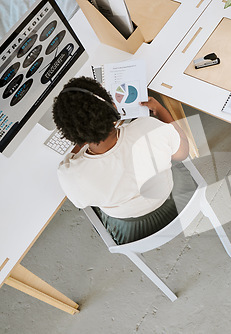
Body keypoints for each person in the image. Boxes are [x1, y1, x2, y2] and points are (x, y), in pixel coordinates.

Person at [53, 76, 196, 245]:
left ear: (70, 136)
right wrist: (160, 109)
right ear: (113, 108)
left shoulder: (70, 174)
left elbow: (81, 202)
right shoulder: (148, 127)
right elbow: (182, 153)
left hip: (129, 227)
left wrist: (83, 135)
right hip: (169, 197)